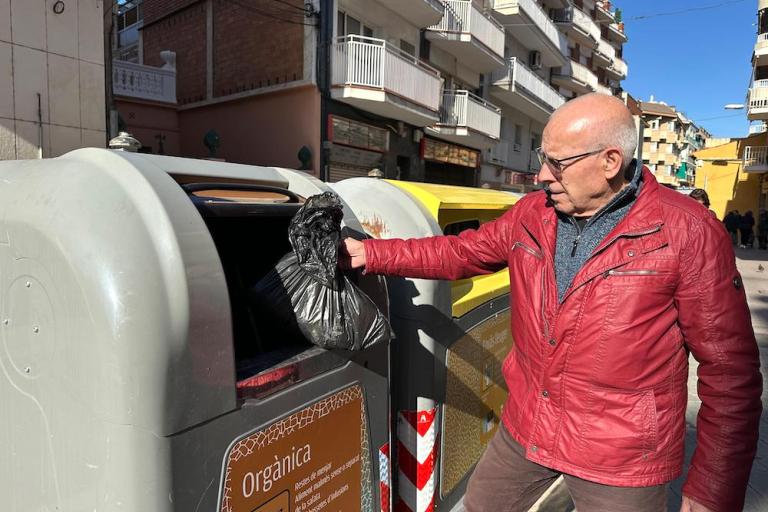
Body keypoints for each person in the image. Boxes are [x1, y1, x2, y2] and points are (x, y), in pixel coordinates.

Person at [341, 94, 761, 512]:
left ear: (610, 161)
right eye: (543, 158)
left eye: (557, 163)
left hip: (621, 455)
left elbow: (730, 374)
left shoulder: (688, 231)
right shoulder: (532, 215)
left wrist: (711, 491)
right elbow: (459, 252)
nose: (542, 175)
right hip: (528, 423)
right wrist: (371, 254)